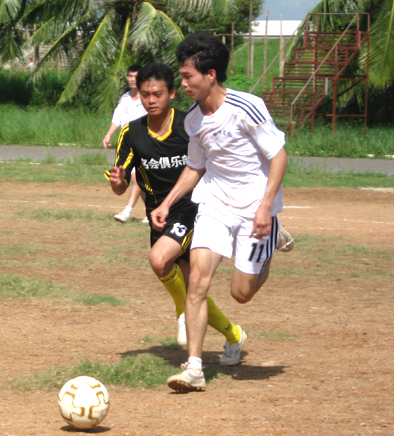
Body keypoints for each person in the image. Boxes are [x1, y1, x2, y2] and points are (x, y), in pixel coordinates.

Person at [150, 33, 292, 392]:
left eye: (187, 76)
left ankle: (273, 236)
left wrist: (265, 209)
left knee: (241, 293)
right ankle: (195, 368)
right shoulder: (192, 121)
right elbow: (196, 167)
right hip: (214, 204)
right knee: (197, 281)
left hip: (255, 210)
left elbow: (279, 157)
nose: (183, 84)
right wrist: (167, 203)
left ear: (210, 74)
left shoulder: (247, 107)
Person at [108, 62, 245, 360]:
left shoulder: (189, 125)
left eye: (157, 94)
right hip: (158, 215)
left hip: (194, 209)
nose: (151, 100)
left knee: (159, 260)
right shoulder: (132, 133)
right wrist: (118, 182)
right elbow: (120, 187)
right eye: (145, 95)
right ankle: (234, 334)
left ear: (171, 93)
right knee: (193, 289)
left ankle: (181, 313)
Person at [103, 65, 148, 224]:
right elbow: (117, 119)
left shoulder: (147, 97)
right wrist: (109, 134)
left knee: (136, 177)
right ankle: (152, 212)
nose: (132, 79)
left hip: (143, 143)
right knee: (138, 180)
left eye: (135, 76)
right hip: (127, 144)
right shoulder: (124, 99)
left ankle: (127, 212)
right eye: (130, 76)